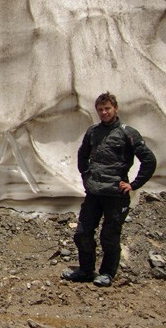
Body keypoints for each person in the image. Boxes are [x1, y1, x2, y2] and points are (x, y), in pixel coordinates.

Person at [63, 92, 156, 287]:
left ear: (115, 109)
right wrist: (86, 176)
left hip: (116, 195)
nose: (104, 112)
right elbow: (82, 155)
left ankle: (107, 273)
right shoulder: (93, 132)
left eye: (107, 108)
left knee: (109, 236)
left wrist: (134, 184)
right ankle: (86, 270)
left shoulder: (127, 133)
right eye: (100, 109)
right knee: (82, 233)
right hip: (94, 193)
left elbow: (149, 160)